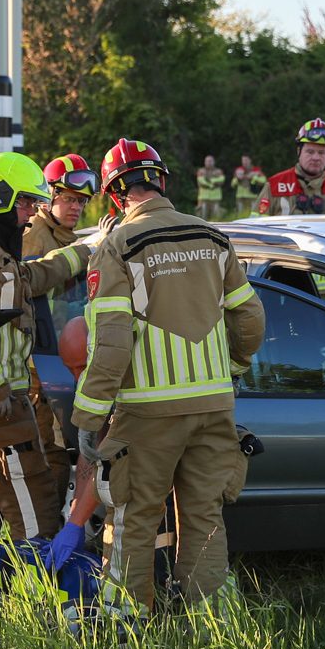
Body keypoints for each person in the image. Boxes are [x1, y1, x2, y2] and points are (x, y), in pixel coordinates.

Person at [71, 138, 266, 617]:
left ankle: (126, 627)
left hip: (147, 414)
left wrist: (89, 417)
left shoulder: (117, 246)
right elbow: (250, 320)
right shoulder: (213, 237)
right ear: (160, 181)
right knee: (205, 517)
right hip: (215, 408)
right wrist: (231, 368)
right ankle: (211, 623)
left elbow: (111, 344)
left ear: (114, 195)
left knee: (133, 517)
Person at [0, 152, 90, 569]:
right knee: (32, 492)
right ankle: (44, 589)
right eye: (24, 202)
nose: (29, 213)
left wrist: (86, 251)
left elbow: (30, 279)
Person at [23, 153, 99, 505]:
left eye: (81, 201)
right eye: (68, 199)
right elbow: (31, 285)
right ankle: (45, 532)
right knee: (48, 457)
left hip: (57, 358)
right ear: (49, 197)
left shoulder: (64, 236)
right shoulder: (33, 236)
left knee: (59, 454)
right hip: (36, 367)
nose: (76, 207)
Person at [259, 119, 325, 216]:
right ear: (299, 151)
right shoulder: (275, 186)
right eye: (310, 152)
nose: (316, 158)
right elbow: (256, 223)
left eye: (321, 153)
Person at [194, 155, 226, 220]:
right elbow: (201, 181)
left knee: (216, 217)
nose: (209, 163)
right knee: (202, 217)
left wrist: (212, 181)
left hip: (215, 198)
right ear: (204, 162)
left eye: (211, 161)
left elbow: (221, 180)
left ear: (214, 162)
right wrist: (211, 184)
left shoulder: (218, 171)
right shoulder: (201, 171)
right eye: (207, 161)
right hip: (203, 198)